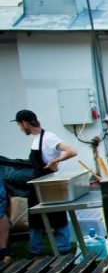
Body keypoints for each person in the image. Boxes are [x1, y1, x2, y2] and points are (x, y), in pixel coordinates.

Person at [14, 110, 78, 257]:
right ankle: (35, 250)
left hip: (50, 183)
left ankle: (63, 249)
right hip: (37, 183)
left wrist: (55, 161)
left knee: (57, 216)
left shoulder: (48, 137)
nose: (19, 128)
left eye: (19, 124)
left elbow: (72, 151)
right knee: (35, 217)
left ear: (25, 123)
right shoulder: (36, 138)